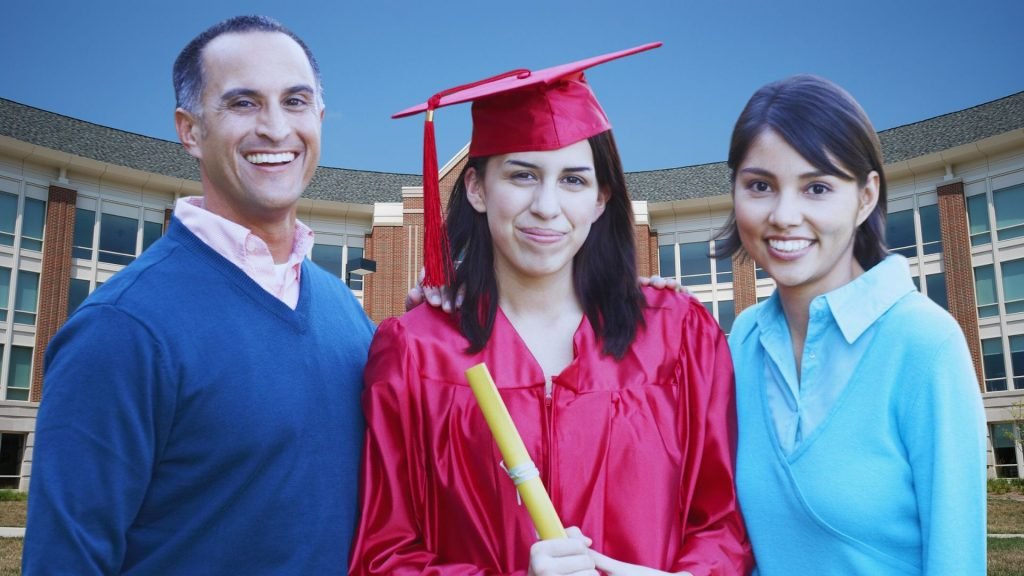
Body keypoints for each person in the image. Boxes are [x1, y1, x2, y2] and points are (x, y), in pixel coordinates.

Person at [349, 44, 752, 576]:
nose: (547, 206)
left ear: (602, 199)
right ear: (475, 188)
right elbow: (383, 554)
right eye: (522, 175)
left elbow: (721, 526)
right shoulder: (417, 352)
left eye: (573, 180)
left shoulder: (678, 335)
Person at [23, 16, 374, 574]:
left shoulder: (348, 315)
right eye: (243, 103)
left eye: (296, 101)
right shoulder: (122, 328)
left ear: (320, 119)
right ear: (190, 131)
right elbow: (66, 559)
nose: (276, 128)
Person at [719, 75, 986, 574]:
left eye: (817, 187)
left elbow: (958, 558)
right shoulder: (742, 343)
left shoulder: (925, 342)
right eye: (760, 186)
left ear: (865, 197)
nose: (784, 215)